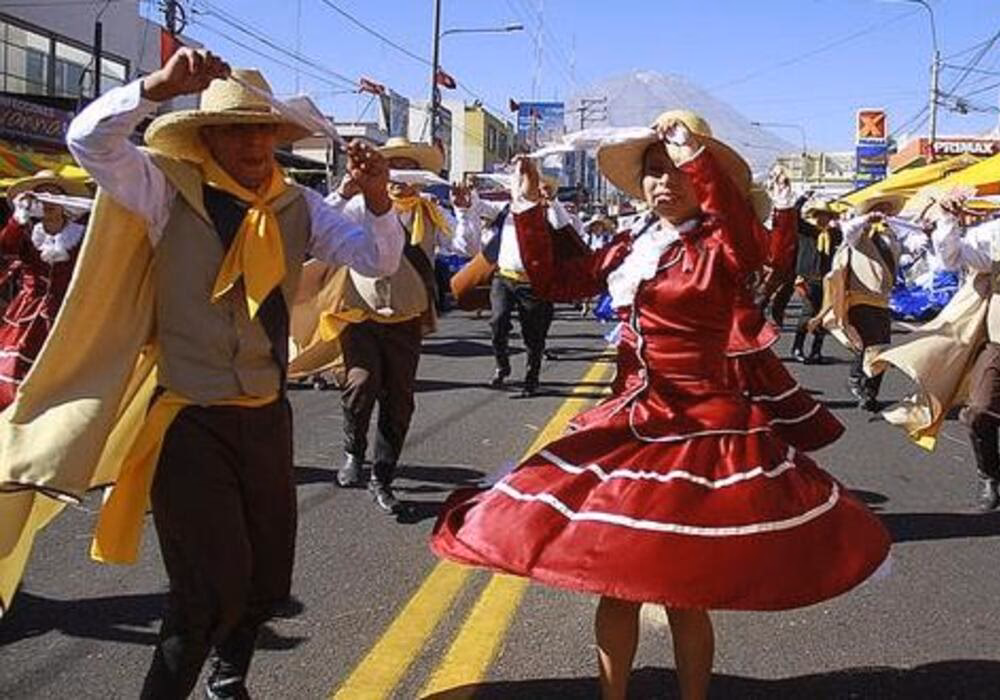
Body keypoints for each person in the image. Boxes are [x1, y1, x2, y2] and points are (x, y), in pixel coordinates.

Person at [431, 111, 890, 700]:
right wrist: (527, 208)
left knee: (683, 590)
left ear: (701, 178)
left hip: (703, 429)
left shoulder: (720, 245)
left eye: (676, 171)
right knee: (617, 580)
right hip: (633, 419)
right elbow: (557, 283)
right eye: (653, 172)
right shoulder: (632, 243)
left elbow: (755, 251)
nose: (663, 182)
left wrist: (696, 154)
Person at [0, 49, 404, 699]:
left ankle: (228, 678)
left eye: (262, 128)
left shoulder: (297, 204)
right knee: (205, 595)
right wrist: (157, 87)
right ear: (208, 137)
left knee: (267, 582)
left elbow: (376, 260)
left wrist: (379, 198)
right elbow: (88, 140)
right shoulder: (165, 189)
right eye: (237, 129)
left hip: (267, 417)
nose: (252, 141)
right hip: (188, 420)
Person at [321, 137, 478, 513]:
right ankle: (353, 451)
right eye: (393, 166)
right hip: (359, 313)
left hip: (406, 318)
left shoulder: (431, 212)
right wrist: (345, 189)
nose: (399, 176)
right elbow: (322, 225)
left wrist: (466, 212)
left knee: (399, 400)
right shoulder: (360, 206)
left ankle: (383, 477)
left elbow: (466, 248)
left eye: (409, 167)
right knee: (360, 384)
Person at [870, 199, 1000, 511]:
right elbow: (951, 257)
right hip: (999, 342)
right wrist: (949, 220)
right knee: (980, 412)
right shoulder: (995, 233)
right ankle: (990, 476)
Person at [451, 172, 582, 396]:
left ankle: (532, 378)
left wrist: (552, 202)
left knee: (534, 335)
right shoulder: (505, 209)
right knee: (498, 322)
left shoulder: (551, 212)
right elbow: (478, 207)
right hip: (504, 278)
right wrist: (465, 204)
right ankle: (502, 365)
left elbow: (568, 229)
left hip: (535, 284)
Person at [0, 170, 90, 409]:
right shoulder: (28, 233)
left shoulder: (81, 236)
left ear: (64, 204)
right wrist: (17, 219)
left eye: (54, 196)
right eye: (41, 197)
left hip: (66, 311)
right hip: (27, 311)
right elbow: (6, 250)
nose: (48, 202)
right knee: (17, 360)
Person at [790, 198, 842, 364]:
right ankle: (797, 347)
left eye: (826, 216)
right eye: (820, 215)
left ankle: (816, 350)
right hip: (807, 278)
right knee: (808, 312)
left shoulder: (835, 234)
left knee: (823, 315)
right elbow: (794, 218)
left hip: (826, 280)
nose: (823, 218)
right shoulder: (807, 231)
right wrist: (801, 200)